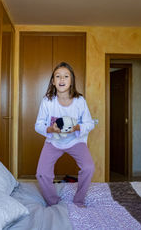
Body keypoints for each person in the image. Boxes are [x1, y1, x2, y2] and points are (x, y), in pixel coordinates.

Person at [35, 62, 95, 207]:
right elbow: (38, 125)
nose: (62, 80)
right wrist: (51, 130)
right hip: (53, 142)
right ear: (53, 81)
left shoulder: (80, 101)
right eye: (58, 76)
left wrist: (76, 127)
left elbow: (90, 123)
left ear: (71, 80)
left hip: (76, 141)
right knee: (41, 173)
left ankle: (79, 200)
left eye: (66, 76)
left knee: (89, 168)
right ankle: (53, 202)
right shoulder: (47, 101)